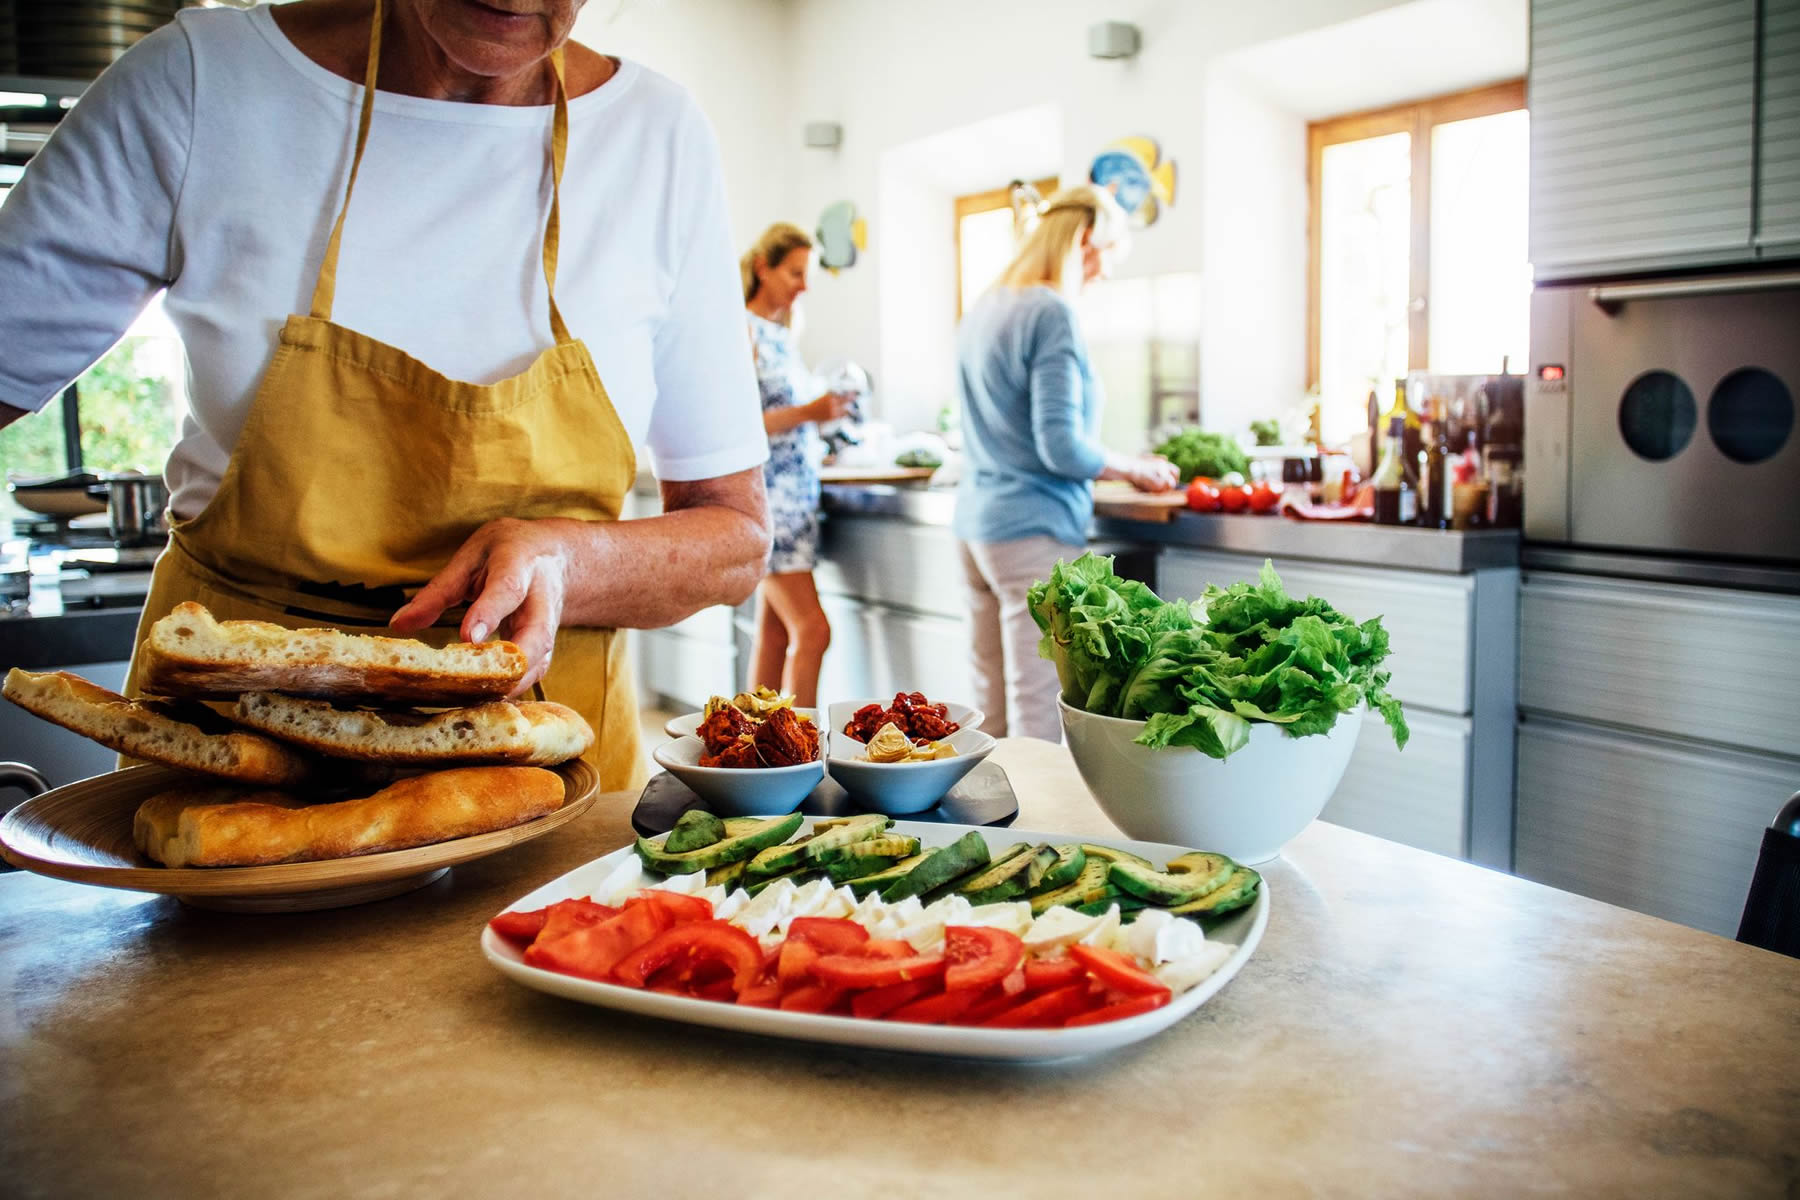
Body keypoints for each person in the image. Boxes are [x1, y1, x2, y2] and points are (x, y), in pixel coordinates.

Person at [0, 0, 774, 791]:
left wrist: (568, 562)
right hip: (233, 752)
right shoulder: (203, 81)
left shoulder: (656, 135)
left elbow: (735, 539)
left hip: (539, 764)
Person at [953, 183, 1179, 741]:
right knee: (1041, 715)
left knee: (990, 713)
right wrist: (1135, 468)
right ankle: (1040, 828)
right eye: (1104, 258)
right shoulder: (1051, 310)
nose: (1100, 274)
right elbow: (1061, 445)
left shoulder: (986, 304)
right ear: (1082, 240)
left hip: (975, 529)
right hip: (1031, 531)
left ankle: (996, 823)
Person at [740, 223, 852, 707]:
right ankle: (802, 750)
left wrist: (820, 427)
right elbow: (742, 423)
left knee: (776, 635)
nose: (804, 284)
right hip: (772, 503)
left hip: (796, 501)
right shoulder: (744, 331)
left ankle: (751, 746)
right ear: (763, 268)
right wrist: (811, 412)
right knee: (814, 629)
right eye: (794, 272)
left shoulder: (784, 333)